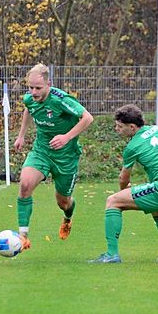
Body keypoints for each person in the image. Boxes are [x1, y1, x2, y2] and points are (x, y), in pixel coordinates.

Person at [89, 104, 158, 263]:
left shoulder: (132, 146)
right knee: (157, 210)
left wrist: (124, 192)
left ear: (132, 127)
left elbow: (123, 179)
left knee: (113, 201)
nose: (116, 129)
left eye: (120, 126)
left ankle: (111, 255)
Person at [13, 64, 94, 249]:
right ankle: (23, 236)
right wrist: (21, 135)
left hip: (66, 157)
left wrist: (66, 137)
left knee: (63, 202)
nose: (33, 92)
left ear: (48, 84)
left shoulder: (60, 100)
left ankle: (67, 218)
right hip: (41, 151)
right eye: (30, 87)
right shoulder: (30, 98)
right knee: (25, 185)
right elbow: (29, 109)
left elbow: (87, 118)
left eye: (38, 88)